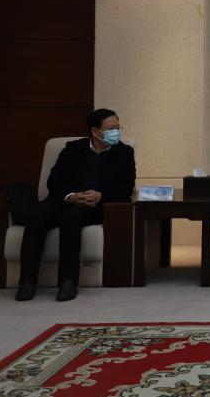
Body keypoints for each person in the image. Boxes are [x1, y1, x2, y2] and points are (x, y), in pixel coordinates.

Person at [16, 108, 136, 302]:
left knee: (71, 218)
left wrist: (101, 196)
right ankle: (27, 282)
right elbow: (54, 180)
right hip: (65, 200)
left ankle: (68, 281)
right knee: (36, 215)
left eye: (118, 127)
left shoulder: (124, 153)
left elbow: (126, 187)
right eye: (111, 128)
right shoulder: (72, 149)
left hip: (95, 206)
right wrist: (70, 196)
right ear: (95, 131)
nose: (116, 132)